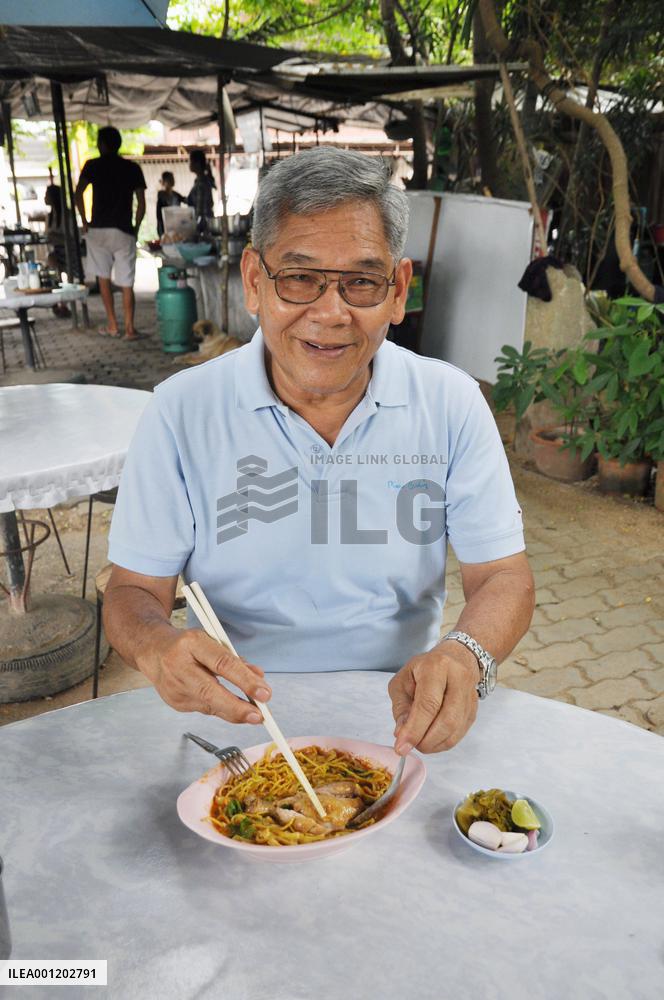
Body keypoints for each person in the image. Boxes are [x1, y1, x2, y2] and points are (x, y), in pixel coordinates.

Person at [103, 147, 534, 757]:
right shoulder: (180, 412)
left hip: (400, 720)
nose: (331, 314)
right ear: (255, 281)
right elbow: (132, 593)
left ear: (398, 291)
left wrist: (466, 656)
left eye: (361, 282)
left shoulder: (450, 404)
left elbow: (504, 576)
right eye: (299, 278)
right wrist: (156, 646)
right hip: (235, 721)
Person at [74, 125, 146, 340]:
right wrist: (136, 227)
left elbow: (78, 193)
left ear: (101, 144)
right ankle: (130, 329)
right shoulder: (132, 168)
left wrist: (85, 221)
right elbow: (141, 203)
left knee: (103, 278)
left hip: (98, 229)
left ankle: (113, 325)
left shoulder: (92, 165)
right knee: (127, 281)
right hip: (123, 230)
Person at [43, 183, 70, 319]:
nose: (44, 197)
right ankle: (56, 301)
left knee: (51, 263)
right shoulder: (50, 215)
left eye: (46, 195)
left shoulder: (66, 214)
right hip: (56, 252)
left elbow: (71, 238)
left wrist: (54, 236)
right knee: (50, 264)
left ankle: (59, 302)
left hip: (67, 251)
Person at [186, 149, 215, 226]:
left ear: (197, 164)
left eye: (190, 161)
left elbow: (200, 211)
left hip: (203, 225)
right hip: (205, 223)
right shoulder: (199, 181)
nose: (189, 164)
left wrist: (195, 224)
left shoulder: (202, 182)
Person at [156, 170, 184, 238]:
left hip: (176, 225)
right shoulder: (161, 195)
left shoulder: (176, 195)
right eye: (169, 179)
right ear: (164, 182)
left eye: (172, 178)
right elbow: (159, 216)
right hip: (164, 226)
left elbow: (186, 200)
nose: (172, 180)